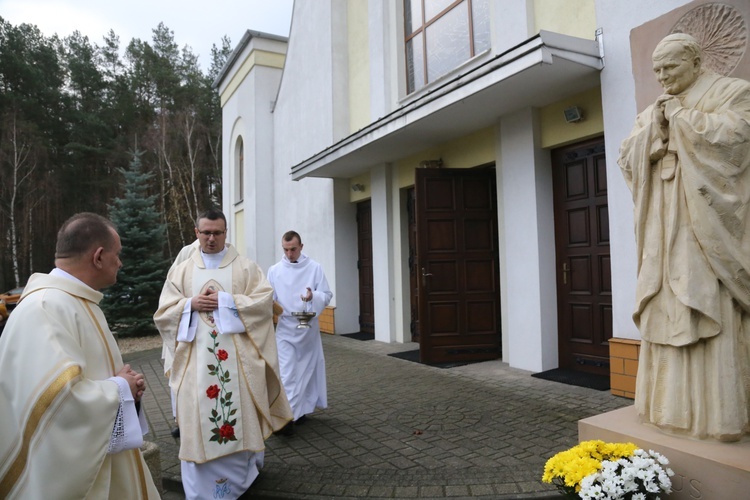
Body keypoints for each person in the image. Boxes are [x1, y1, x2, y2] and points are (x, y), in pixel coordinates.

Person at [618, 33, 750, 441]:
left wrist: (681, 119)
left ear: (695, 60)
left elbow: (739, 138)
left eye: (670, 67)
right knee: (664, 306)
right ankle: (665, 409)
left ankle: (719, 418)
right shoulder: (652, 109)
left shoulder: (733, 91)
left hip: (704, 229)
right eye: (656, 70)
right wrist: (654, 133)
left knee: (706, 303)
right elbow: (626, 157)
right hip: (662, 227)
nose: (662, 77)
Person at [0, 212, 160, 498]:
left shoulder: (73, 301)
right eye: (117, 254)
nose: (120, 262)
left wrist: (127, 391)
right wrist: (120, 388)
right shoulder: (45, 307)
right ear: (98, 257)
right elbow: (57, 401)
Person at [154, 208, 292, 499]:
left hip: (236, 362)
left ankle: (237, 483)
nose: (211, 238)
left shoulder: (244, 267)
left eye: (217, 232)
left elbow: (264, 302)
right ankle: (201, 491)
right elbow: (164, 313)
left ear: (226, 233)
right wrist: (190, 304)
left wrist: (228, 301)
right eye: (205, 232)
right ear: (196, 233)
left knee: (238, 415)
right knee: (196, 423)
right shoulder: (182, 271)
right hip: (195, 364)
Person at [267, 230, 332, 434]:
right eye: (285, 249)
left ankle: (300, 411)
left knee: (305, 371)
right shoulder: (275, 270)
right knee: (287, 372)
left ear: (301, 247)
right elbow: (269, 296)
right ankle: (286, 418)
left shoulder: (314, 268)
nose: (289, 254)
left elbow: (327, 294)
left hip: (307, 325)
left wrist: (314, 296)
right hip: (286, 326)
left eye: (293, 249)